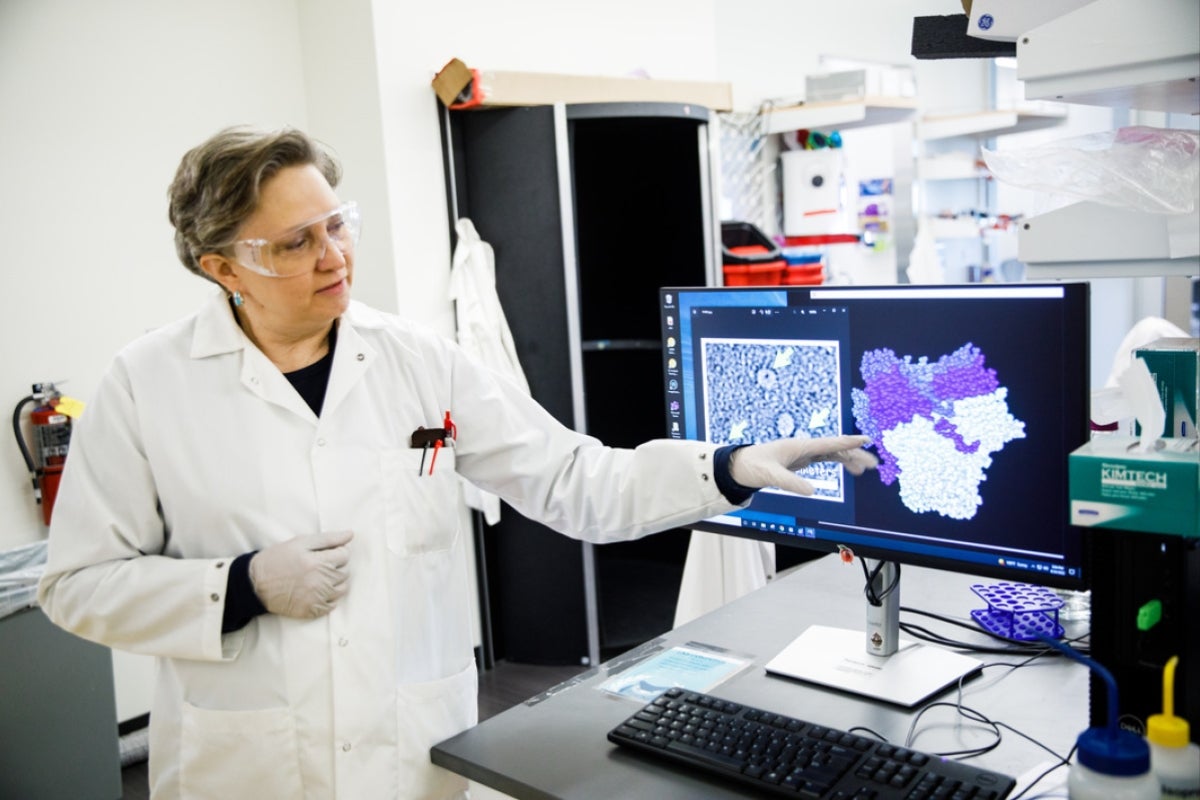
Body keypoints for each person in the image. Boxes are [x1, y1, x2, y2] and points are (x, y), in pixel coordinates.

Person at [37, 126, 877, 799]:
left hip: (408, 758)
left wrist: (726, 467)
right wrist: (243, 586)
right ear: (223, 268)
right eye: (295, 243)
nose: (334, 256)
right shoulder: (148, 384)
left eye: (338, 225)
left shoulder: (417, 360)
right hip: (246, 764)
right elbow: (76, 584)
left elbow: (572, 480)